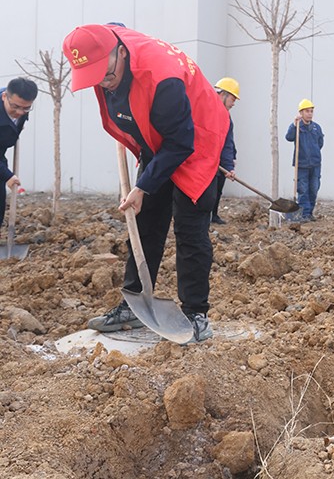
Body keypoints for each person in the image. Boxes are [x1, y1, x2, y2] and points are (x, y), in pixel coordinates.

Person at [62, 24, 231, 342]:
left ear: (121, 53)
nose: (102, 84)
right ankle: (135, 301)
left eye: (106, 76)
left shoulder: (162, 78)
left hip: (197, 137)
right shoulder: (109, 45)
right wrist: (145, 184)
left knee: (189, 226)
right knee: (144, 221)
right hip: (158, 138)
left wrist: (142, 185)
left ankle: (196, 313)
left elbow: (181, 143)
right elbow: (116, 27)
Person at [1, 78, 38, 228]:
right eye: (15, 107)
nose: (20, 112)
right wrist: (8, 176)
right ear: (4, 96)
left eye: (26, 108)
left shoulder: (21, 107)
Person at [285, 98, 324, 222]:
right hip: (301, 164)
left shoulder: (316, 128)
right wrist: (294, 125)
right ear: (301, 113)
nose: (310, 114)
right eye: (307, 111)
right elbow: (289, 137)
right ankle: (304, 214)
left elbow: (320, 143)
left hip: (315, 164)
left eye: (311, 111)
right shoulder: (297, 127)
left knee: (314, 188)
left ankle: (309, 213)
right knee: (303, 189)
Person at [211, 77, 239, 225]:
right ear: (223, 95)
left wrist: (230, 163)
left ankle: (213, 215)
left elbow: (228, 142)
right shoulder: (210, 110)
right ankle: (206, 217)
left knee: (217, 190)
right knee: (209, 191)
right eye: (233, 99)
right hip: (209, 161)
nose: (233, 103)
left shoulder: (225, 115)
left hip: (219, 161)